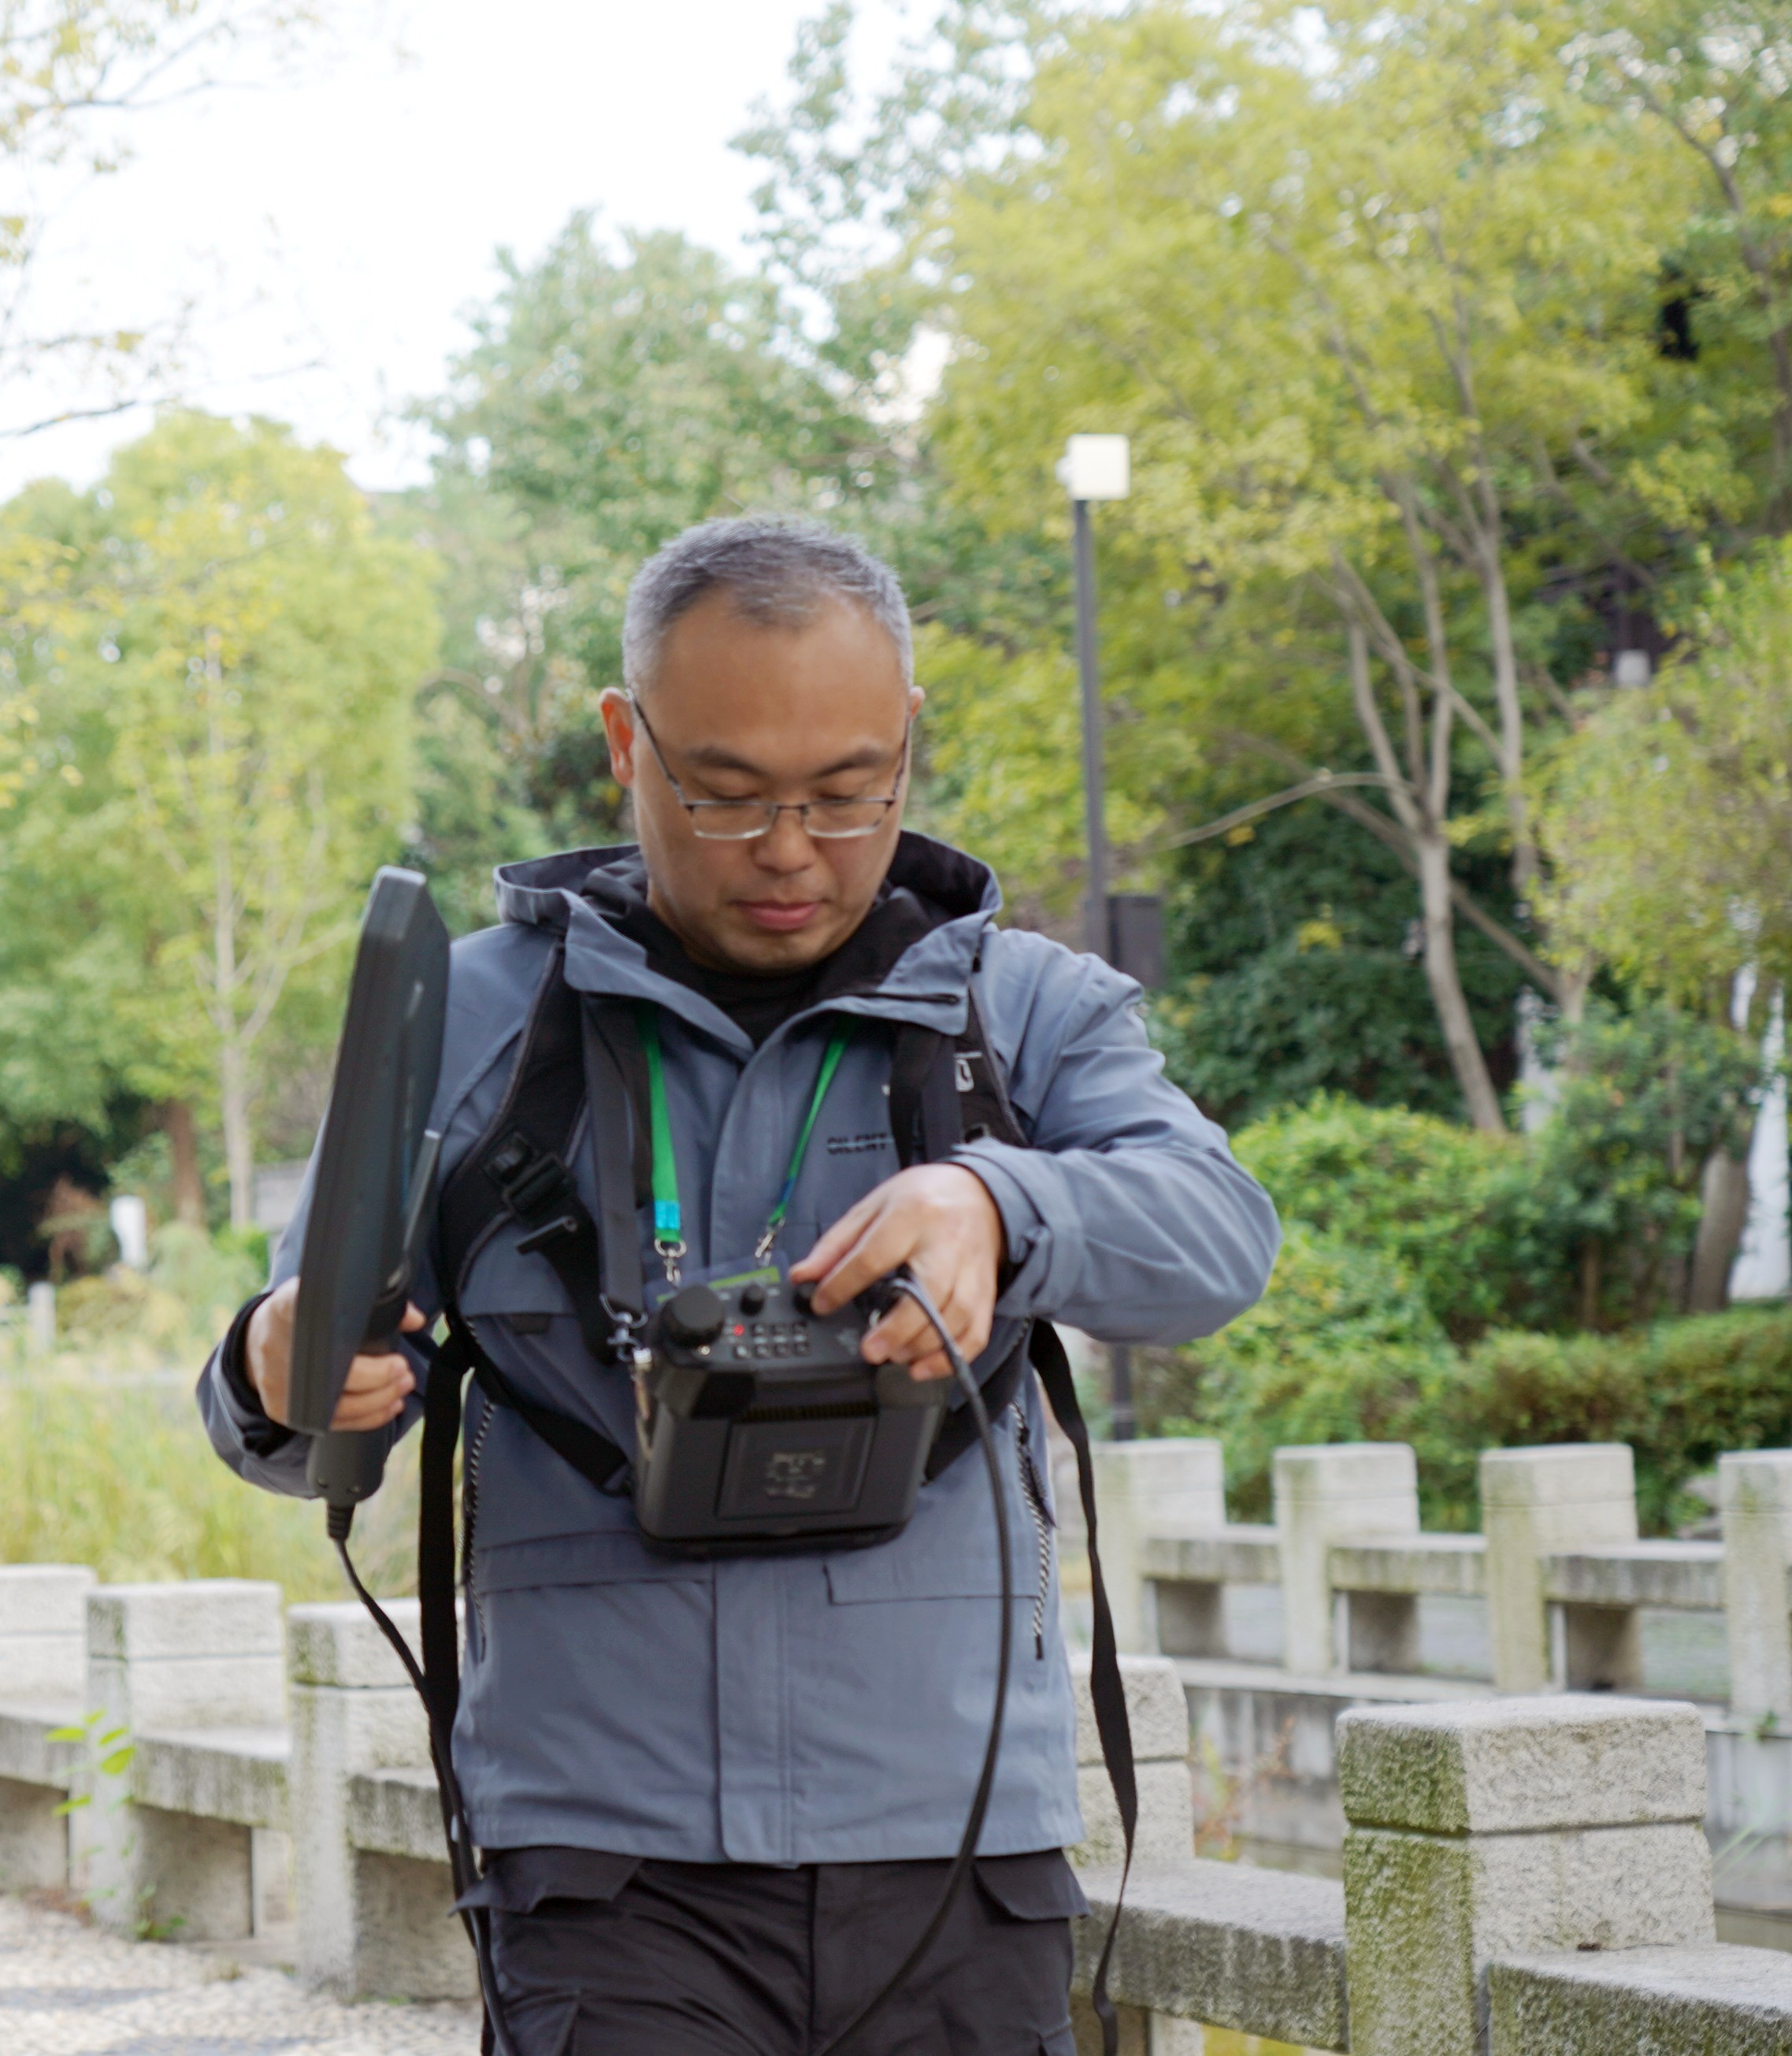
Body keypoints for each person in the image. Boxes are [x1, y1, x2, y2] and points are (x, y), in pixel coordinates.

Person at [199, 517, 1279, 2054]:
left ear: (906, 740)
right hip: (604, 1873)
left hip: (958, 1855)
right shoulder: (460, 1028)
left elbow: (1220, 1233)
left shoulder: (1014, 1014)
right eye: (722, 794)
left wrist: (999, 1200)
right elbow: (302, 1403)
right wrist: (272, 1367)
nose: (789, 849)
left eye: (846, 793)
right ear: (622, 744)